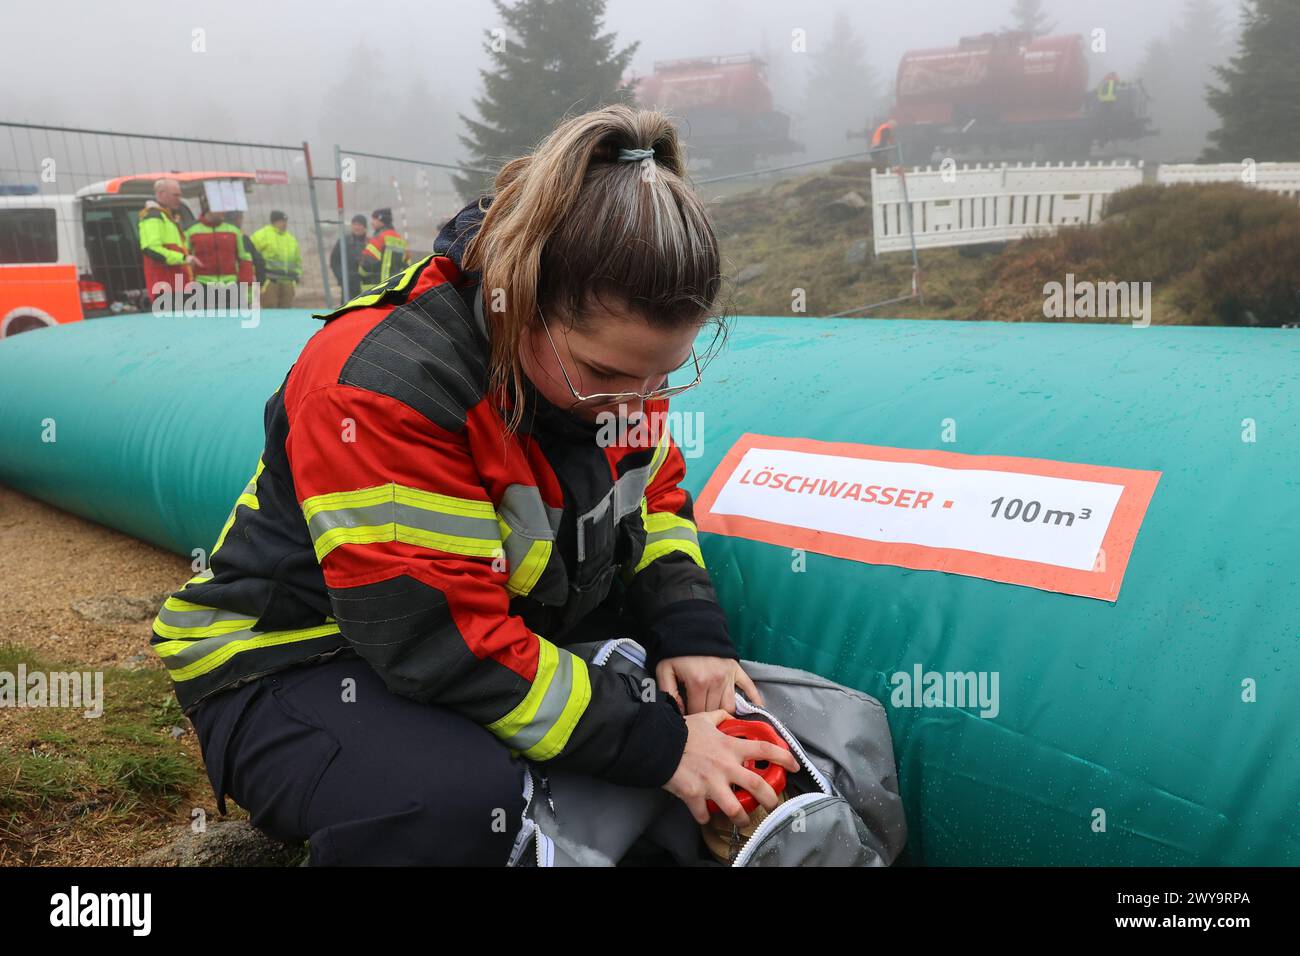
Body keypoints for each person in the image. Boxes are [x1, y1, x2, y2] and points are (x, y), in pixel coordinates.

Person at [150, 105, 796, 866]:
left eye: (663, 375)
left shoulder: (611, 375)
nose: (636, 404)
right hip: (294, 662)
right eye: (605, 376)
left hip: (476, 630)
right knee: (455, 805)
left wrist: (693, 635)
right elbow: (438, 641)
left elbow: (652, 502)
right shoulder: (384, 388)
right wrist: (659, 747)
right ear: (521, 300)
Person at [138, 177, 200, 304]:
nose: (179, 198)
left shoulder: (167, 217)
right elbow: (150, 248)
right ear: (161, 194)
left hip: (179, 286)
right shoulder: (153, 216)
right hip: (166, 289)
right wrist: (184, 258)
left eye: (180, 195)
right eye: (175, 195)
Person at [184, 201, 251, 290]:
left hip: (230, 284)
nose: (224, 212)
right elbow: (184, 257)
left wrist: (246, 281)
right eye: (220, 209)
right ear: (210, 209)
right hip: (201, 285)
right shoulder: (190, 230)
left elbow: (244, 257)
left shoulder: (234, 230)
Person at [250, 210, 302, 308]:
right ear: (274, 221)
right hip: (269, 282)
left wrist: (296, 277)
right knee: (271, 311)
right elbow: (251, 255)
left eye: (285, 221)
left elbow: (297, 260)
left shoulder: (291, 239)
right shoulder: (261, 235)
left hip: (288, 282)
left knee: (286, 313)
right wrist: (258, 278)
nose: (284, 224)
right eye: (282, 221)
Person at [357, 206, 408, 288]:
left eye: (374, 219)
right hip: (396, 288)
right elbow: (407, 265)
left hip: (375, 290)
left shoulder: (378, 238)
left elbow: (365, 266)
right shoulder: (400, 240)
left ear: (381, 220)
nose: (372, 222)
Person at [329, 214, 368, 298]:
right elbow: (334, 261)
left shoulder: (370, 242)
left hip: (366, 285)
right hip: (348, 285)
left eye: (359, 225)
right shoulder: (343, 242)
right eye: (354, 224)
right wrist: (342, 278)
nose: (356, 227)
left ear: (365, 227)